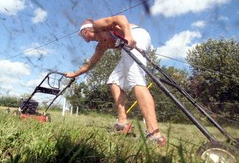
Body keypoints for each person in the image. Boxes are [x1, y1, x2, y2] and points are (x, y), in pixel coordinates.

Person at [65, 15, 165, 146]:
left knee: (136, 80)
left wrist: (128, 35)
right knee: (114, 80)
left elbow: (121, 18)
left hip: (136, 35)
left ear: (85, 31)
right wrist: (74, 74)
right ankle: (122, 123)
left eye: (82, 35)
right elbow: (89, 65)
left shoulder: (97, 25)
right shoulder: (101, 46)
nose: (83, 38)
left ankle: (154, 135)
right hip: (129, 43)